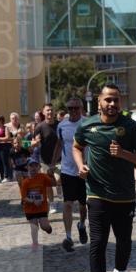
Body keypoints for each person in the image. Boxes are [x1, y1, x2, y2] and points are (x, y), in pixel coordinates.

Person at [73, 85, 136, 272]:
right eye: (108, 100)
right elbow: (77, 147)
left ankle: (120, 271)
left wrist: (125, 154)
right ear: (99, 102)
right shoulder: (88, 125)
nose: (112, 104)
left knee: (124, 241)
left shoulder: (130, 126)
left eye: (116, 100)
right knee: (97, 243)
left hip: (124, 195)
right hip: (96, 193)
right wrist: (81, 166)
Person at [54, 97, 88, 252]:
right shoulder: (62, 125)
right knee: (67, 203)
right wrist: (53, 163)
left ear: (81, 108)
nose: (73, 111)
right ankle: (68, 237)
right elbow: (59, 145)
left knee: (83, 205)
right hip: (67, 170)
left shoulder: (87, 123)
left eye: (76, 108)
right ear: (67, 110)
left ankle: (81, 225)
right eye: (70, 108)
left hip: (84, 170)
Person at [19, 158, 54, 249]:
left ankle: (48, 228)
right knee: (34, 226)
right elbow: (24, 197)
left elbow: (53, 184)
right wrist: (33, 201)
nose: (34, 168)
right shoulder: (25, 182)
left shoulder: (43, 177)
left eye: (36, 165)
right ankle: (35, 244)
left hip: (42, 207)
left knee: (44, 226)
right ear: (27, 167)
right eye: (31, 166)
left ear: (39, 167)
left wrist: (52, 175)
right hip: (30, 208)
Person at [32, 103, 60, 208]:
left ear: (54, 112)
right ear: (43, 112)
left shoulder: (59, 125)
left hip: (59, 159)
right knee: (48, 183)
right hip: (44, 160)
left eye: (51, 110)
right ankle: (52, 204)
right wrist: (36, 142)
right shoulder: (39, 126)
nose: (50, 112)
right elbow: (33, 142)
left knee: (58, 179)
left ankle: (59, 187)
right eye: (47, 110)